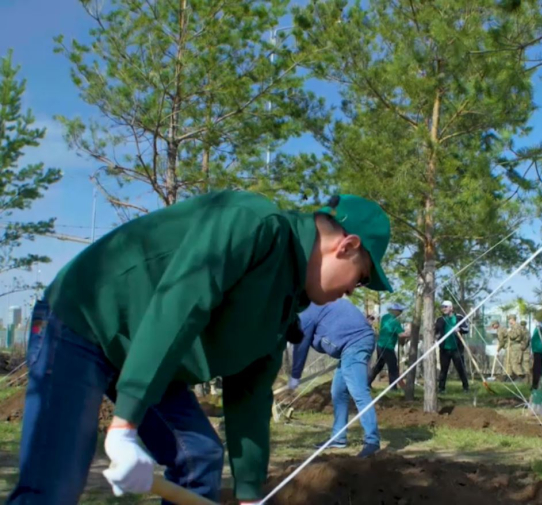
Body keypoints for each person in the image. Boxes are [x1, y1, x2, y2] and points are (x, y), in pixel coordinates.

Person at [8, 192, 392, 505]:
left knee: (199, 457)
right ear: (346, 245)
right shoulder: (252, 224)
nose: (352, 292)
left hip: (148, 356)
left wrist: (248, 494)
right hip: (84, 323)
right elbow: (180, 305)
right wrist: (125, 425)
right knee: (54, 484)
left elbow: (250, 394)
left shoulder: (286, 302)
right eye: (360, 278)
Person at [290, 299, 381, 458]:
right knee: (338, 392)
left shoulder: (306, 310)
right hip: (350, 346)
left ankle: (372, 441)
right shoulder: (314, 304)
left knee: (359, 392)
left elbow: (301, 343)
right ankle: (339, 438)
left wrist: (295, 375)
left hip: (354, 343)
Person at [368, 303, 408, 387]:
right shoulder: (395, 322)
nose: (401, 313)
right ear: (395, 311)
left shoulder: (384, 317)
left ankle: (367, 382)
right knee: (393, 367)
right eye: (400, 311)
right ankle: (393, 388)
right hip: (388, 347)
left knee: (379, 365)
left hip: (380, 345)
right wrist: (409, 334)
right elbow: (401, 335)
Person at [436, 300, 470, 393]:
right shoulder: (440, 319)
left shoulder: (459, 317)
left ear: (451, 308)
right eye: (442, 307)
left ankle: (466, 387)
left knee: (461, 368)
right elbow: (435, 331)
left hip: (456, 348)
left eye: (446, 307)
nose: (444, 309)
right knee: (444, 369)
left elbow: (466, 328)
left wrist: (460, 329)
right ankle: (441, 388)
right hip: (444, 349)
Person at [499, 314, 529, 380]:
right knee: (509, 363)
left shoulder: (517, 326)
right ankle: (508, 377)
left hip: (516, 347)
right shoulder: (513, 327)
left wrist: (509, 332)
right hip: (512, 347)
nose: (509, 321)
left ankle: (522, 378)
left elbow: (514, 335)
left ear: (512, 319)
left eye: (509, 319)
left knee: (515, 364)